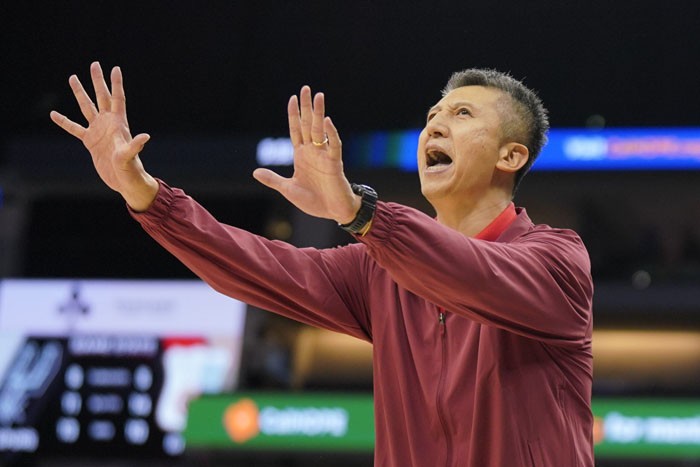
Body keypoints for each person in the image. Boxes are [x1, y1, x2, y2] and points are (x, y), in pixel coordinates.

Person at [51, 62, 594, 467]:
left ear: (510, 155)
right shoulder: (380, 270)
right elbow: (255, 265)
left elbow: (473, 275)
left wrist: (361, 212)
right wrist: (146, 194)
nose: (434, 126)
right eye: (432, 116)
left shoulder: (557, 262)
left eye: (462, 114)